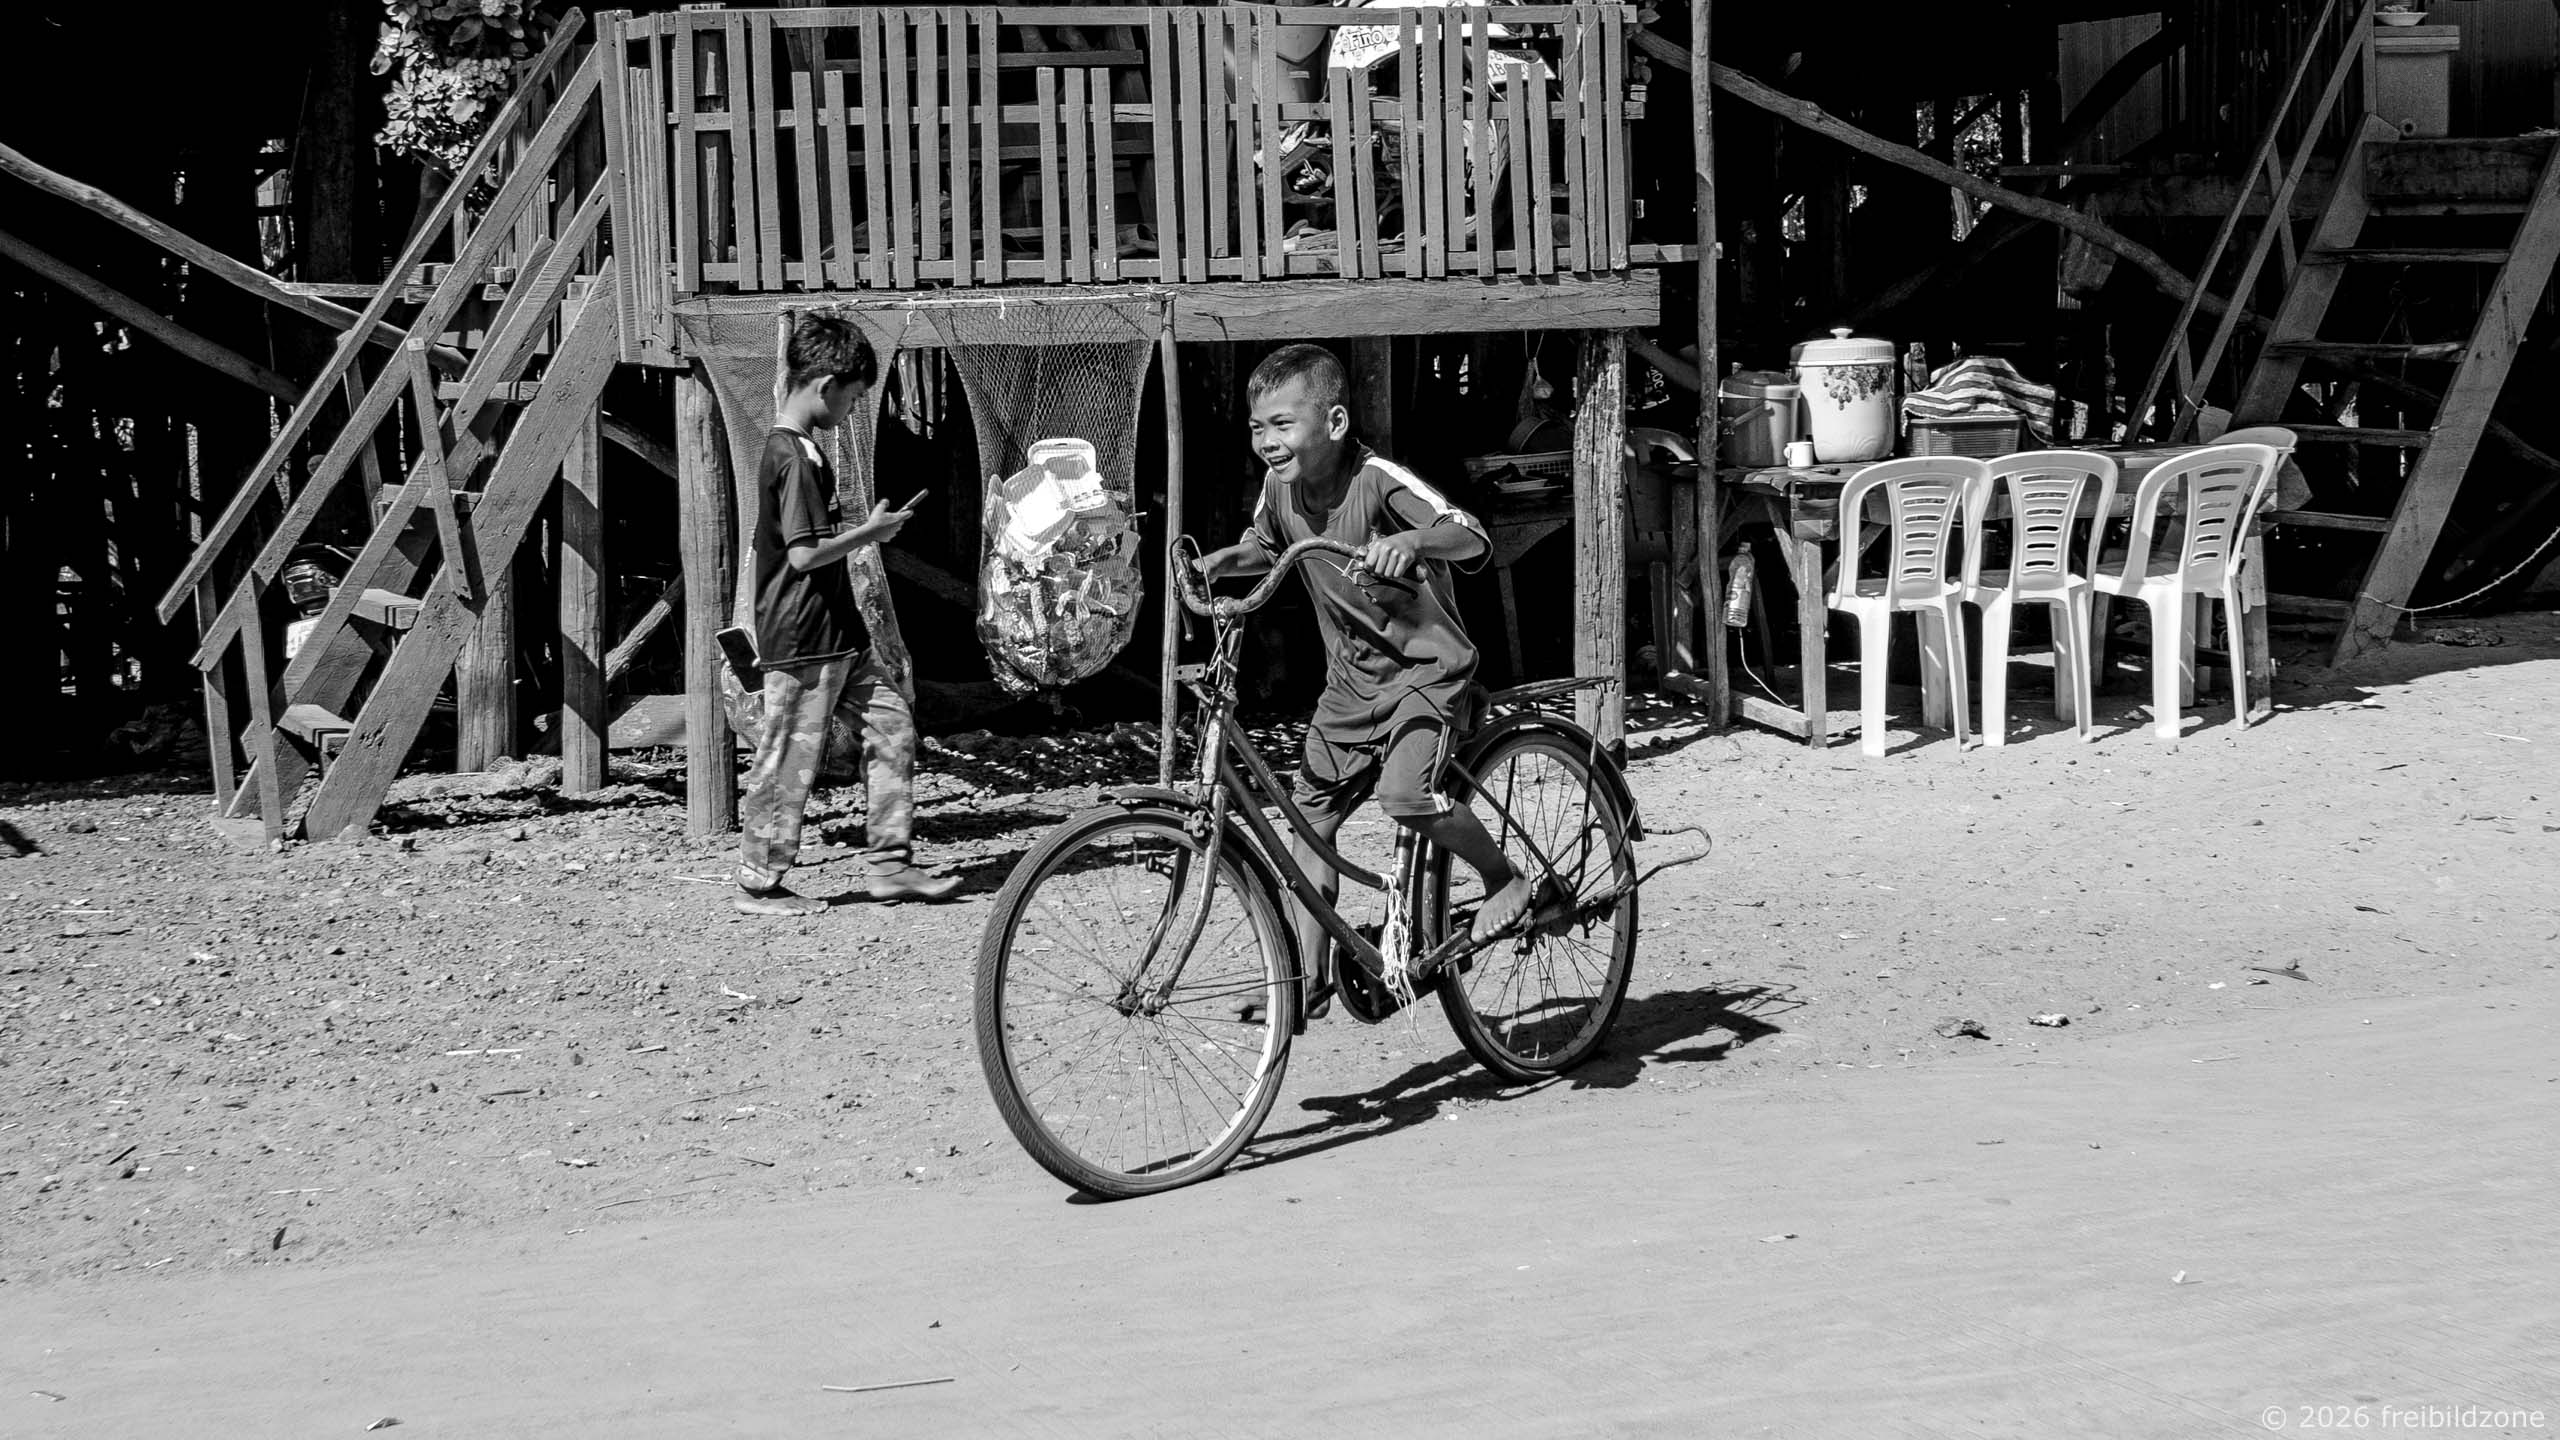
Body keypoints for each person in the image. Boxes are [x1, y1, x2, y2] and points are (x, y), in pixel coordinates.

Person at [1192, 343, 1534, 1014]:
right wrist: (1218, 563)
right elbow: (1266, 546)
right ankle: (1309, 983)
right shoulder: (1279, 490)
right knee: (1308, 817)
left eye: (1284, 424)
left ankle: (1504, 879)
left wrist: (1412, 542)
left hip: (1425, 674)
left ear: (1336, 423)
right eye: (1258, 427)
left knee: (1404, 796)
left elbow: (1468, 534)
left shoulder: (1377, 480)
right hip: (1349, 686)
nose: (1267, 441)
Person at [735, 314, 961, 916]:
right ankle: (760, 884)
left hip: (838, 634)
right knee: (786, 759)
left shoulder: (801, 450)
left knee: (892, 727)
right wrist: (871, 532)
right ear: (827, 384)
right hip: (804, 635)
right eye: (856, 396)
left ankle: (891, 865)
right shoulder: (794, 457)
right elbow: (805, 555)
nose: (855, 409)